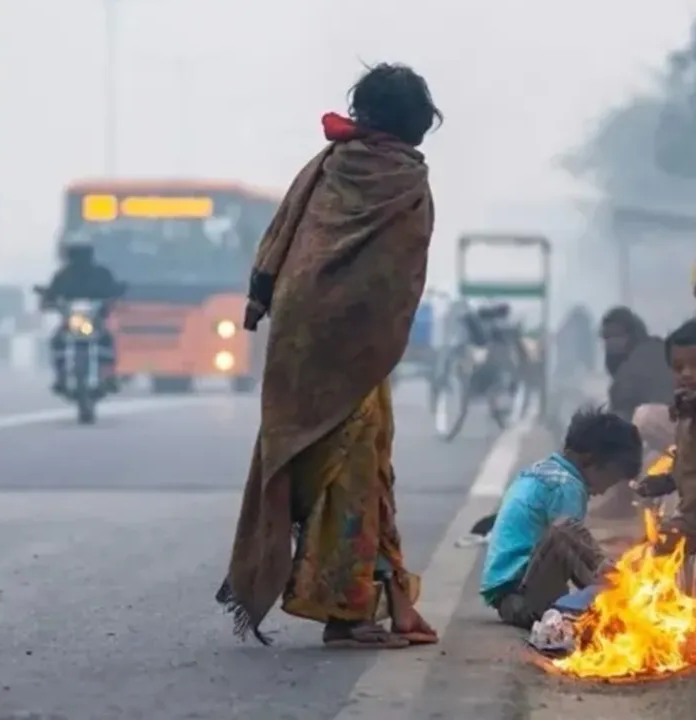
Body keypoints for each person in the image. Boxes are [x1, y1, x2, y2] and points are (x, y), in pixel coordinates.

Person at [217, 63, 443, 649]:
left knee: (362, 463)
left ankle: (396, 602)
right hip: (356, 343)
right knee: (355, 471)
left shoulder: (328, 166)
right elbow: (398, 274)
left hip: (300, 336)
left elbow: (282, 234)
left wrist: (260, 294)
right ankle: (347, 614)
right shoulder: (404, 179)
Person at [480, 406, 643, 629]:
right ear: (588, 460)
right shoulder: (567, 485)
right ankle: (613, 596)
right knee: (567, 532)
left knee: (573, 539)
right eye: (610, 479)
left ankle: (608, 593)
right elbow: (570, 543)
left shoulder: (546, 470)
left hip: (510, 596)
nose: (605, 490)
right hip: (522, 599)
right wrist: (605, 577)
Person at [632, 319, 696, 552]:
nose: (686, 374)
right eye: (678, 368)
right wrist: (666, 482)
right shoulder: (685, 412)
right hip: (694, 512)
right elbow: (693, 468)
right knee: (648, 547)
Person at [597, 306, 674, 517]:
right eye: (607, 338)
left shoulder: (638, 362)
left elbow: (621, 417)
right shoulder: (647, 351)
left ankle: (621, 500)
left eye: (617, 336)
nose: (612, 343)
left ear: (631, 334)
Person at [40, 243, 123, 395]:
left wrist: (115, 295)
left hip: (94, 320)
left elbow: (114, 290)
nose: (80, 259)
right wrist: (48, 301)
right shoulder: (64, 275)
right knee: (57, 342)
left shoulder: (100, 274)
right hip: (72, 321)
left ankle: (109, 376)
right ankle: (61, 377)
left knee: (107, 341)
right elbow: (51, 294)